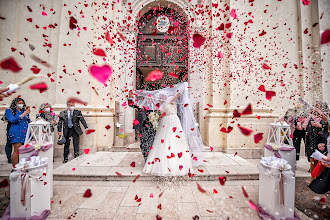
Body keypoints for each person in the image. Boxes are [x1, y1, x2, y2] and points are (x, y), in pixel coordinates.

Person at [143, 92, 193, 176]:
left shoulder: (170, 102)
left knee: (175, 140)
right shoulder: (159, 106)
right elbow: (159, 114)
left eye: (163, 96)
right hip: (164, 123)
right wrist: (155, 118)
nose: (162, 98)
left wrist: (181, 89)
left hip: (174, 122)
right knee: (165, 141)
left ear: (166, 97)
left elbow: (177, 95)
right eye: (161, 96)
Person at [127, 90, 156, 161]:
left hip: (152, 128)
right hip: (143, 128)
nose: (150, 100)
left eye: (151, 98)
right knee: (143, 144)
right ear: (146, 99)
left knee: (151, 144)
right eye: (148, 98)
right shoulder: (141, 106)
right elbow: (131, 104)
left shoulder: (155, 108)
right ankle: (146, 156)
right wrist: (130, 97)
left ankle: (149, 159)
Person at [5, 98, 30, 166]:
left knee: (24, 151)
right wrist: (23, 114)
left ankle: (22, 165)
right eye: (19, 103)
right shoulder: (9, 111)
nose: (21, 104)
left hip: (25, 132)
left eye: (22, 103)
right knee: (17, 150)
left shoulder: (23, 111)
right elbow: (12, 120)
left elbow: (28, 121)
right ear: (15, 103)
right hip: (16, 132)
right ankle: (15, 167)